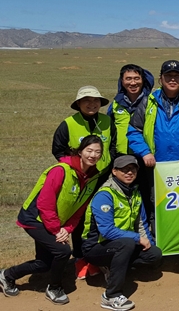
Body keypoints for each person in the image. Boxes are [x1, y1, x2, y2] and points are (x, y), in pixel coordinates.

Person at [0, 136, 104, 305]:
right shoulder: (61, 170)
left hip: (54, 221)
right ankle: (54, 287)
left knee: (44, 263)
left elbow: (79, 209)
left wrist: (68, 228)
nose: (93, 155)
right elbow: (45, 203)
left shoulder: (92, 177)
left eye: (97, 152)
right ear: (80, 152)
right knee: (62, 252)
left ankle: (6, 276)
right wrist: (57, 230)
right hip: (35, 218)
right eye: (89, 150)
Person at [127, 59, 179, 274]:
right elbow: (133, 130)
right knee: (155, 210)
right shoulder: (147, 102)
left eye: (177, 76)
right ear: (160, 79)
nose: (172, 79)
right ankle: (159, 253)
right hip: (155, 170)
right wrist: (144, 152)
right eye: (168, 76)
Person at [82, 155, 162, 311]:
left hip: (121, 243)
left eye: (132, 169)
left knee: (155, 254)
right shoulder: (105, 195)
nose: (129, 173)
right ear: (114, 171)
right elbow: (106, 230)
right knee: (126, 244)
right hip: (96, 247)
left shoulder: (135, 193)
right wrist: (137, 238)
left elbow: (141, 223)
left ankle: (114, 267)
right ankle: (111, 296)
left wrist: (148, 243)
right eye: (124, 170)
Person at [51, 85, 115, 279]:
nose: (92, 104)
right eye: (86, 100)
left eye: (96, 100)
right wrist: (74, 169)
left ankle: (98, 257)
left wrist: (105, 167)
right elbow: (58, 149)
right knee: (78, 219)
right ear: (78, 103)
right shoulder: (68, 124)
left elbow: (112, 146)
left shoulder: (106, 121)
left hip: (102, 178)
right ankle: (80, 259)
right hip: (78, 179)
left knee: (98, 217)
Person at [108, 64, 155, 155]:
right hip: (120, 155)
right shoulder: (116, 104)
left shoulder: (151, 103)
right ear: (122, 81)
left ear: (143, 80)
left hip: (145, 155)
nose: (133, 83)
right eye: (128, 79)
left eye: (137, 78)